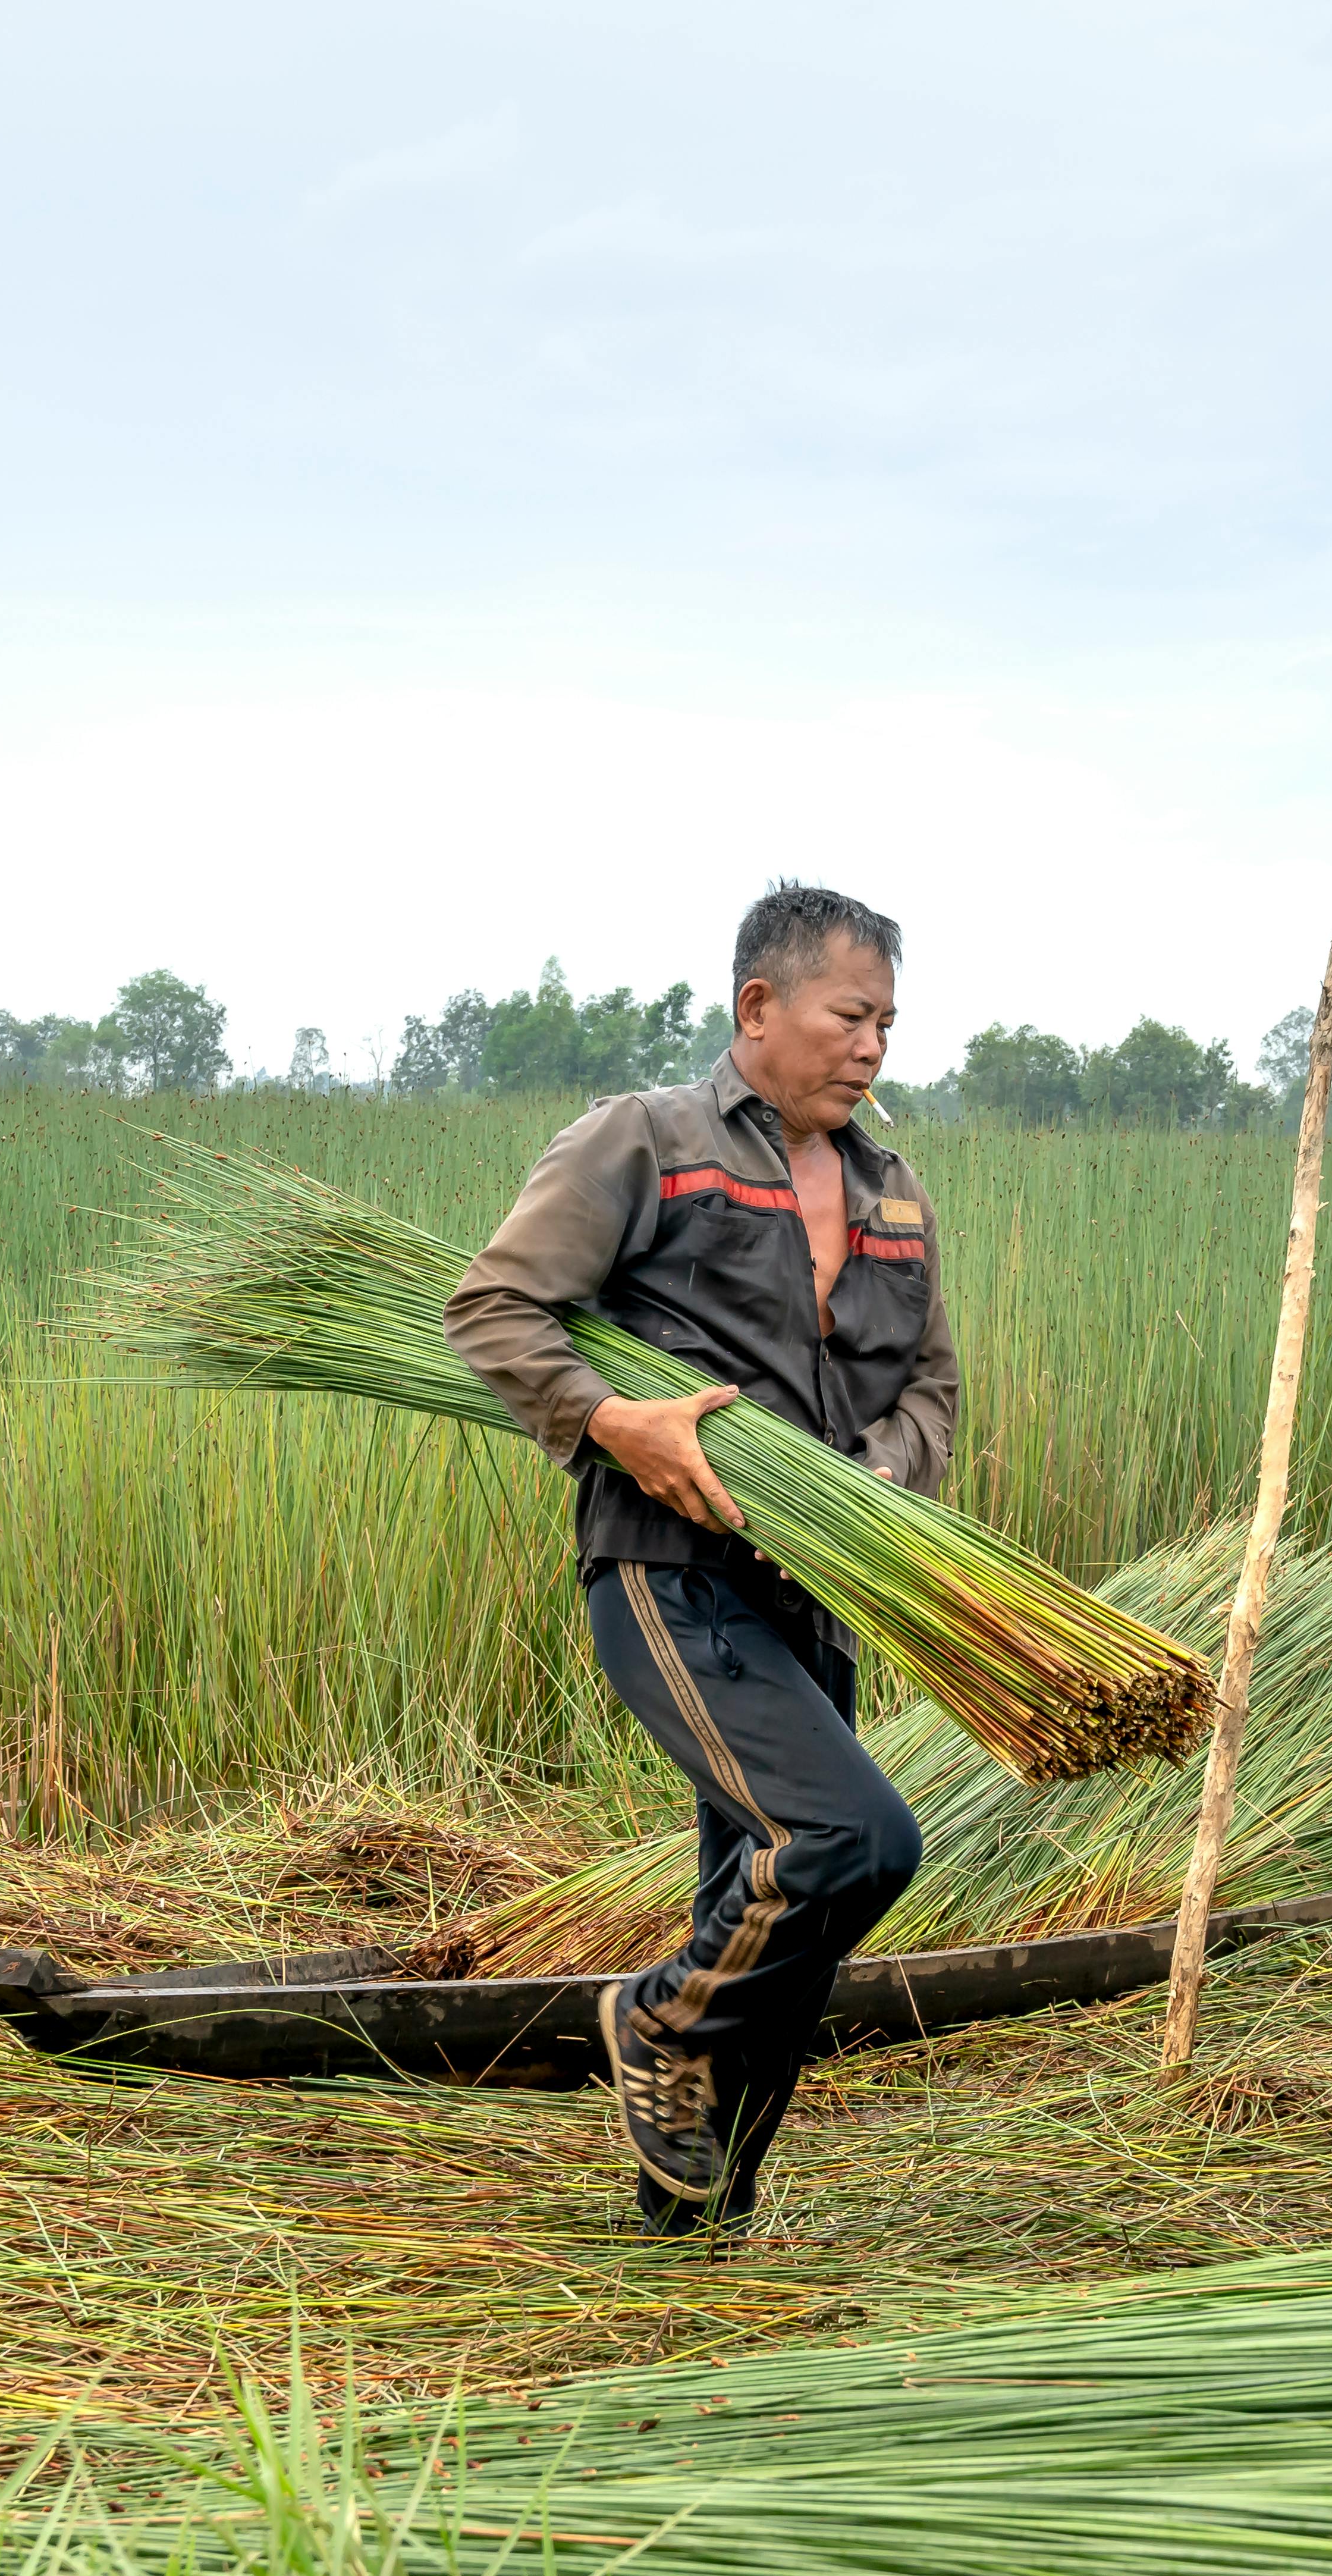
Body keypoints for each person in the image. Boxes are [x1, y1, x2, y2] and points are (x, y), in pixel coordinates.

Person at [447, 883, 951, 2232]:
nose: (872, 1047)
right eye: (852, 1015)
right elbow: (494, 1308)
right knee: (851, 1839)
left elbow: (931, 1391)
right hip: (672, 1575)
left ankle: (699, 2229)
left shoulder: (893, 1193)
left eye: (888, 1023)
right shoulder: (645, 1141)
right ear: (758, 1007)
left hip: (819, 1596)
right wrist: (615, 1421)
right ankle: (656, 2016)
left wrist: (874, 1478)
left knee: (782, 1913)